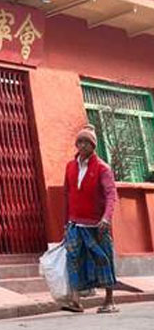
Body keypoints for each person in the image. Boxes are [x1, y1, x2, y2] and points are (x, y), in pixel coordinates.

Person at [62, 125, 118, 314]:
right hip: (75, 223)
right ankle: (76, 301)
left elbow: (111, 195)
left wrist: (106, 218)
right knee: (74, 259)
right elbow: (68, 194)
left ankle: (109, 300)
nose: (83, 145)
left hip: (97, 224)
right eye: (80, 142)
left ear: (93, 146)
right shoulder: (70, 167)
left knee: (103, 259)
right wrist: (66, 221)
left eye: (87, 142)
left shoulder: (103, 168)